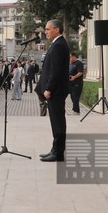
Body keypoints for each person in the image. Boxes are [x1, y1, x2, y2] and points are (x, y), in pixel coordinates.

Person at [37, 20, 70, 162]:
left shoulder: (58, 45)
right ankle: (55, 149)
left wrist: (49, 88)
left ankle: (58, 152)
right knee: (56, 121)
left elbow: (55, 71)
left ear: (56, 29)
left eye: (48, 29)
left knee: (57, 122)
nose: (46, 32)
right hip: (56, 90)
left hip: (56, 91)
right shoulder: (57, 43)